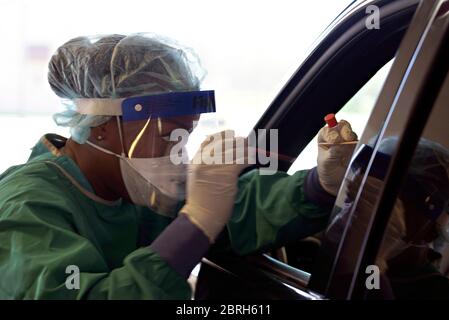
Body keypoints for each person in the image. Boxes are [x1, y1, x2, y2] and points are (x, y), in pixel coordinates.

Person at [0, 34, 357, 299]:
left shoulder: (129, 188)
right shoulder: (29, 206)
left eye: (185, 137)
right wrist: (195, 221)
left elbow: (233, 208)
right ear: (102, 126)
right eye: (168, 135)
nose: (178, 154)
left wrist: (319, 185)